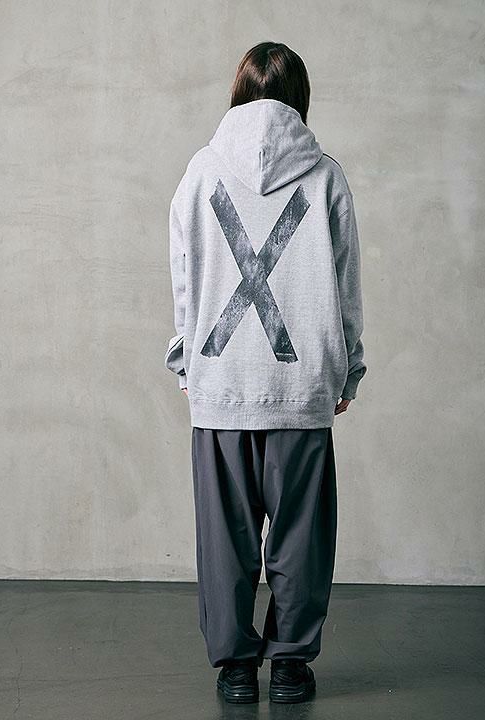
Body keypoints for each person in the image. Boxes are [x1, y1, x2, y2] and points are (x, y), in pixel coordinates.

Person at [164, 41, 366, 704]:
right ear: (300, 98)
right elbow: (345, 284)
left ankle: (234, 669)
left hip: (220, 384)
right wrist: (348, 369)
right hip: (302, 386)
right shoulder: (326, 177)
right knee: (302, 534)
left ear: (238, 94)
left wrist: (188, 359)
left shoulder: (200, 172)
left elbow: (185, 276)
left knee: (224, 537)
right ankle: (289, 666)